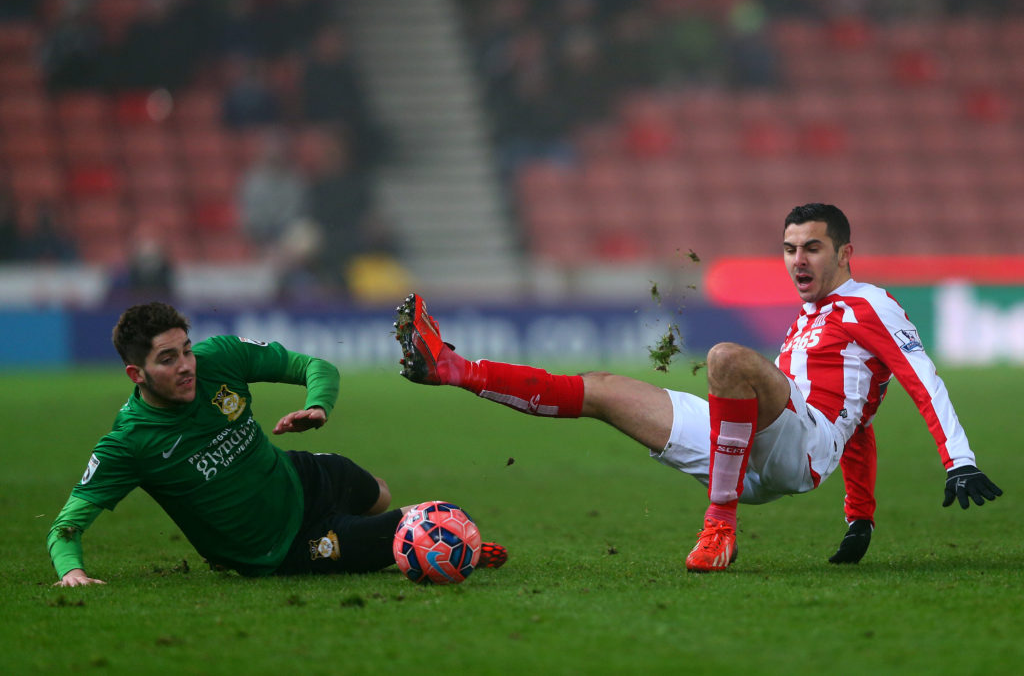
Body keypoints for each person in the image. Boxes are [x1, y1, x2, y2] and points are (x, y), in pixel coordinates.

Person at [393, 203, 1002, 572]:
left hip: (798, 448)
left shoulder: (870, 304)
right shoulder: (812, 318)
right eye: (789, 249)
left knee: (726, 359)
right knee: (602, 389)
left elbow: (920, 379)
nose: (797, 260)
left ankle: (720, 528)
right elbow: (862, 417)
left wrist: (960, 460)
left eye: (812, 248)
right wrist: (859, 518)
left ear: (845, 252)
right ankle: (450, 367)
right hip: (752, 451)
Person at [47, 302, 505, 586]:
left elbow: (315, 366)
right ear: (136, 374)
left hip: (296, 475)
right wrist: (73, 573)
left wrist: (318, 406)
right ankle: (448, 542)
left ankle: (427, 532)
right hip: (280, 547)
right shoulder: (129, 444)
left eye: (186, 349)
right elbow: (66, 526)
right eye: (168, 359)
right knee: (402, 534)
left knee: (380, 493)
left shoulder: (220, 357)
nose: (186, 365)